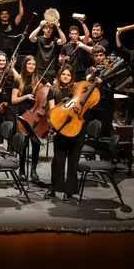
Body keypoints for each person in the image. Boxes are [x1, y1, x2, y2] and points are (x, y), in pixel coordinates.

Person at [44, 65, 86, 202]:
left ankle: (70, 191)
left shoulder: (75, 90)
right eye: (63, 74)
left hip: (76, 128)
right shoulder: (53, 91)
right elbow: (52, 111)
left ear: (72, 77)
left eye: (68, 75)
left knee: (73, 161)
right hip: (60, 129)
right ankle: (54, 188)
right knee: (58, 160)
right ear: (59, 76)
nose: (66, 77)